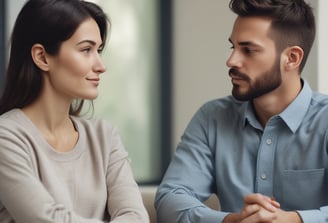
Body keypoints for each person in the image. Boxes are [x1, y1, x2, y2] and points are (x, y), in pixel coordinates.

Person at [155, 0, 328, 222]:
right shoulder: (212, 118)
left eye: (248, 50)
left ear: (291, 58)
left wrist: (293, 219)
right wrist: (231, 221)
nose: (231, 60)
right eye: (233, 47)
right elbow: (170, 199)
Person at [0, 0, 149, 222]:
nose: (101, 65)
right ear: (42, 57)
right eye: (86, 50)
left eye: (98, 50)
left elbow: (136, 216)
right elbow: (45, 219)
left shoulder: (104, 136)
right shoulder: (6, 137)